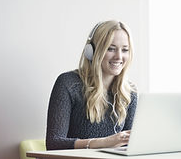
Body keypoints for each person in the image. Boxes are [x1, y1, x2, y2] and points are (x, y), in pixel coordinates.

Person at [46, 20, 138, 150]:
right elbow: (54, 143)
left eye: (125, 50)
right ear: (92, 51)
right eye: (111, 49)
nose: (119, 56)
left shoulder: (129, 93)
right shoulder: (68, 84)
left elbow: (130, 146)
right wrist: (103, 142)